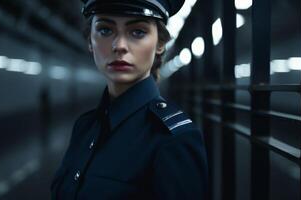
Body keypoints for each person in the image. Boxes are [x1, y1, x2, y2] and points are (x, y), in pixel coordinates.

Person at [51, 0, 208, 199]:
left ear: (160, 43)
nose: (119, 46)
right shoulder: (84, 127)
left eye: (138, 32)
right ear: (90, 41)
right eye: (106, 30)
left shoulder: (174, 140)